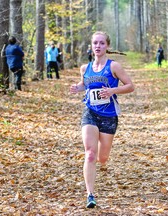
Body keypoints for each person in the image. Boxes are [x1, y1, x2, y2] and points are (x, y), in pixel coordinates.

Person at [69, 31, 135, 208]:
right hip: (90, 112)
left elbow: (130, 86)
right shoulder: (85, 68)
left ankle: (99, 155)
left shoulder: (114, 66)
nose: (98, 46)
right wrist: (78, 87)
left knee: (102, 158)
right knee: (90, 154)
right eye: (95, 43)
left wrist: (113, 91)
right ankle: (90, 194)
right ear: (91, 46)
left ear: (107, 46)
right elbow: (85, 84)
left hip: (109, 115)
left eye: (101, 43)